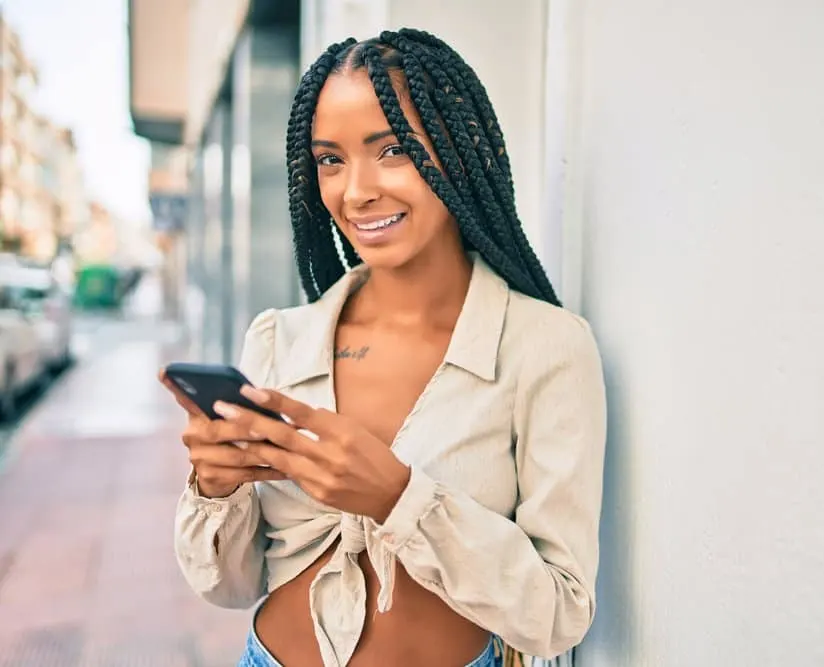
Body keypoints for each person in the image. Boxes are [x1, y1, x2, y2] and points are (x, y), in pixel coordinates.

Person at [162, 28, 607, 667]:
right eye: (330, 160)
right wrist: (215, 487)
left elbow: (559, 614)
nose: (355, 191)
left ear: (455, 152)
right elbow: (229, 586)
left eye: (391, 148)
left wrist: (399, 500)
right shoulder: (278, 341)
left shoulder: (546, 348)